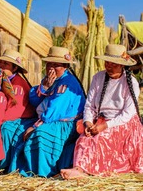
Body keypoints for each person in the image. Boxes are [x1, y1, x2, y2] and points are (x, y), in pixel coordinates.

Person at [60, 44, 143, 179]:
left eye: (113, 64)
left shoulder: (131, 83)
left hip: (123, 123)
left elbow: (127, 114)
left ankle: (85, 170)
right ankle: (79, 169)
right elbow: (89, 105)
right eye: (107, 62)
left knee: (100, 138)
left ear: (122, 65)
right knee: (84, 139)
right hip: (100, 121)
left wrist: (104, 126)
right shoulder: (98, 78)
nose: (108, 66)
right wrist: (87, 123)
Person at [6, 46, 86, 177]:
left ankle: (43, 173)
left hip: (64, 124)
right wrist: (45, 87)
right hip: (46, 118)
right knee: (15, 129)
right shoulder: (51, 80)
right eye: (49, 64)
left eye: (56, 65)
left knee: (40, 134)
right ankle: (15, 169)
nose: (51, 68)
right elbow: (33, 100)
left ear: (65, 66)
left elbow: (55, 110)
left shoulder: (67, 84)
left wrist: (35, 126)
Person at [0, 49, 36, 173]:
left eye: (6, 64)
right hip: (2, 116)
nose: (1, 66)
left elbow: (15, 111)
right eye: (1, 63)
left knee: (5, 129)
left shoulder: (18, 86)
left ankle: (0, 166)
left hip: (22, 118)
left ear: (15, 68)